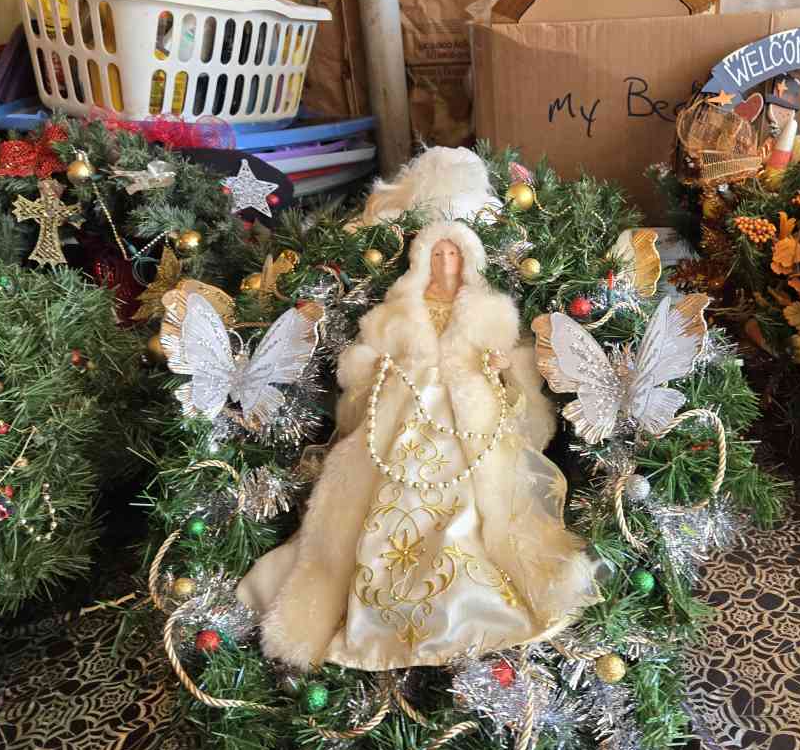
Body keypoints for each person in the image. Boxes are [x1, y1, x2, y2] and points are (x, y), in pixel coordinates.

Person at [237, 221, 601, 670]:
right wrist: (380, 368)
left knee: (488, 505)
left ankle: (474, 591)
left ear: (467, 261)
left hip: (470, 419)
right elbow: (361, 367)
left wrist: (502, 366)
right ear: (421, 260)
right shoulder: (397, 311)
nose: (444, 263)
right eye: (436, 255)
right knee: (372, 505)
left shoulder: (491, 312)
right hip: (403, 413)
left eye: (453, 255)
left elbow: (515, 372)